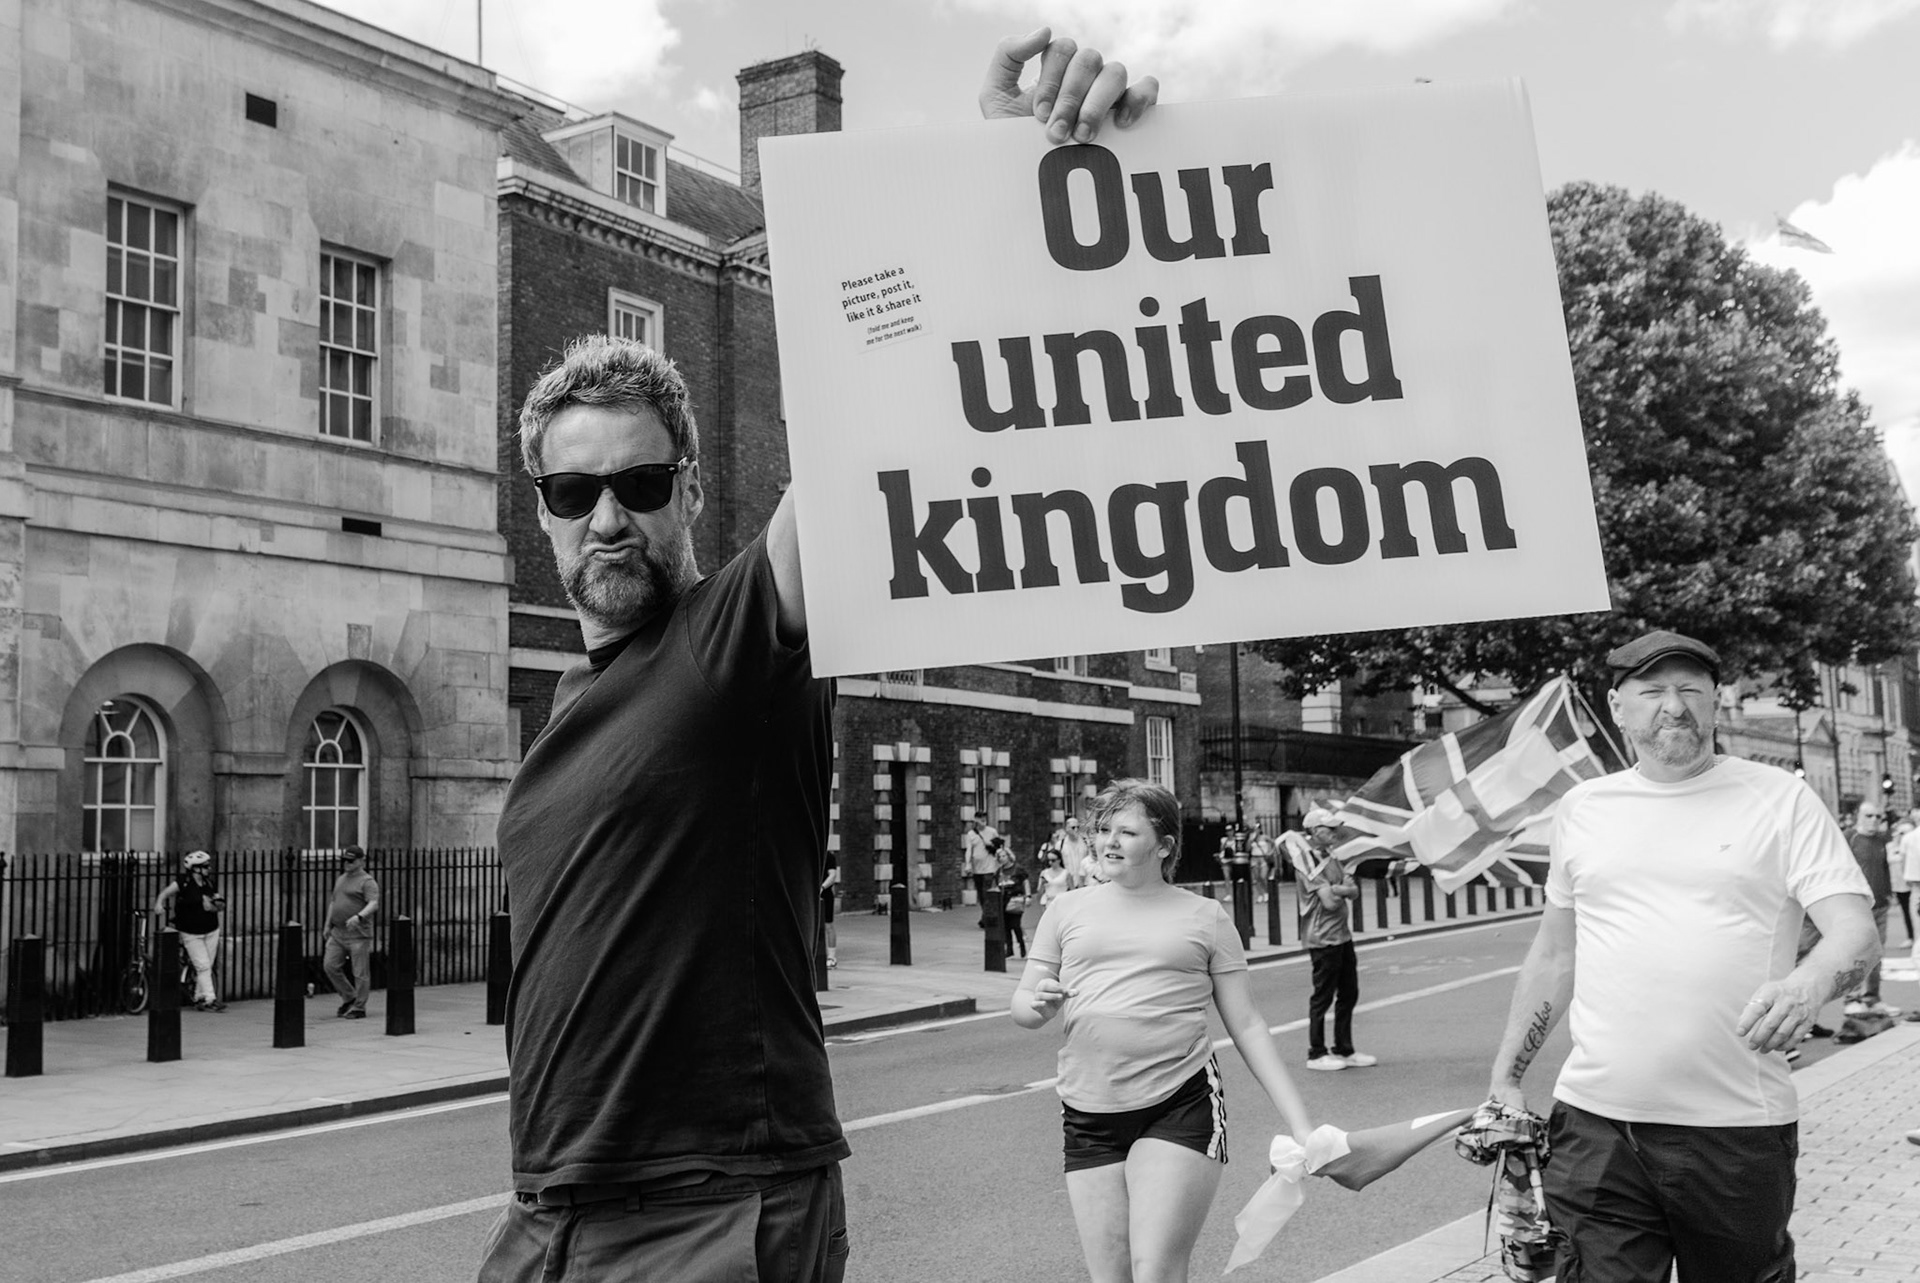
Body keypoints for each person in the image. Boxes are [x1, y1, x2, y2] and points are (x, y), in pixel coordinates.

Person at [479, 34, 1160, 1281]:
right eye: (575, 490)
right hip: (554, 1214)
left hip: (713, 1212)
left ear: (689, 487)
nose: (607, 515)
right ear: (541, 508)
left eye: (638, 480)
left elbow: (875, 429)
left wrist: (1009, 163)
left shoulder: (736, 648)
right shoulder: (574, 698)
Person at [1485, 629, 1879, 1283]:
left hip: (1734, 1130)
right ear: (1618, 705)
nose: (1675, 705)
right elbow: (1556, 952)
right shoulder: (1583, 808)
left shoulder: (1780, 799)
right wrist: (1505, 1077)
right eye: (1654, 690)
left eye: (1691, 689)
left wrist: (1807, 986)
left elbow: (1854, 930)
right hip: (1597, 1124)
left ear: (1717, 703)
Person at [1012, 779, 1312, 1283]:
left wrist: (1300, 1124)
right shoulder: (1066, 910)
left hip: (1179, 1105)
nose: (1108, 842)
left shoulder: (1205, 916)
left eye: (1126, 832)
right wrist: (1036, 1005)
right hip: (1088, 1113)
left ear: (1164, 845)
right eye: (1102, 829)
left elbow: (1247, 1024)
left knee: (1154, 1272)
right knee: (1112, 1277)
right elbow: (1023, 1003)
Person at [1297, 809, 1377, 1071]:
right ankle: (1316, 1053)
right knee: (1322, 997)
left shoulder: (1332, 858)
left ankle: (1344, 1049)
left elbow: (1353, 891)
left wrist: (1339, 888)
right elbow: (1330, 903)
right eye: (1328, 828)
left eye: (1333, 828)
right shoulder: (1307, 863)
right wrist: (1342, 889)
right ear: (1313, 831)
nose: (1333, 832)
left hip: (1342, 936)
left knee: (1349, 993)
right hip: (1322, 938)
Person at [152, 850, 226, 1012]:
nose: (209, 868)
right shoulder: (183, 882)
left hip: (211, 929)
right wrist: (159, 903)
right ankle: (210, 998)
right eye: (205, 866)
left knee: (207, 966)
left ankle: (200, 997)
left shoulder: (209, 883)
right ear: (195, 868)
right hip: (190, 932)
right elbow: (165, 893)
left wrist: (216, 903)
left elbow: (219, 903)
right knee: (203, 965)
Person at [1842, 803, 1898, 1017]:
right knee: (1856, 952)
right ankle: (1852, 998)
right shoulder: (1849, 837)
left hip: (1880, 904)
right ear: (1858, 816)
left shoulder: (1882, 840)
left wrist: (1888, 892)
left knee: (1876, 954)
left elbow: (1884, 867)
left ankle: (1872, 999)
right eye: (1869, 815)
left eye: (1878, 816)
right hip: (1857, 905)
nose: (1874, 819)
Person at [322, 845, 381, 1020]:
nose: (346, 864)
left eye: (351, 861)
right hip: (338, 932)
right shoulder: (341, 879)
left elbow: (373, 903)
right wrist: (327, 925)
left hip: (358, 934)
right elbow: (333, 902)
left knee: (360, 972)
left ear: (361, 861)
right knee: (330, 965)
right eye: (345, 860)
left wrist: (359, 916)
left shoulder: (367, 881)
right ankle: (349, 997)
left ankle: (359, 1007)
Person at [997, 840, 1031, 958]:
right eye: (999, 856)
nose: (1002, 858)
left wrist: (1028, 896)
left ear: (1009, 856)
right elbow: (995, 884)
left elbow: (1025, 882)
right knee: (1006, 926)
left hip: (1016, 899)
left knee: (1016, 925)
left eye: (1003, 855)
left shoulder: (1018, 869)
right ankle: (1009, 949)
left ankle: (1022, 946)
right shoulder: (999, 871)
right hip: (1003, 900)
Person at [966, 815, 1002, 926]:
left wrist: (991, 845)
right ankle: (985, 916)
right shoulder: (971, 834)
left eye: (985, 819)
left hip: (990, 868)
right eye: (981, 819)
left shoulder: (992, 831)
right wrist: (968, 865)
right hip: (977, 869)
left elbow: (999, 846)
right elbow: (968, 850)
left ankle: (987, 919)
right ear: (976, 821)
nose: (983, 821)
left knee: (987, 894)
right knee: (981, 896)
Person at [821, 851, 840, 969]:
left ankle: (832, 957)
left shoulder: (828, 856)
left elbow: (832, 875)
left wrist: (822, 887)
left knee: (828, 925)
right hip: (809, 895)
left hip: (825, 894)